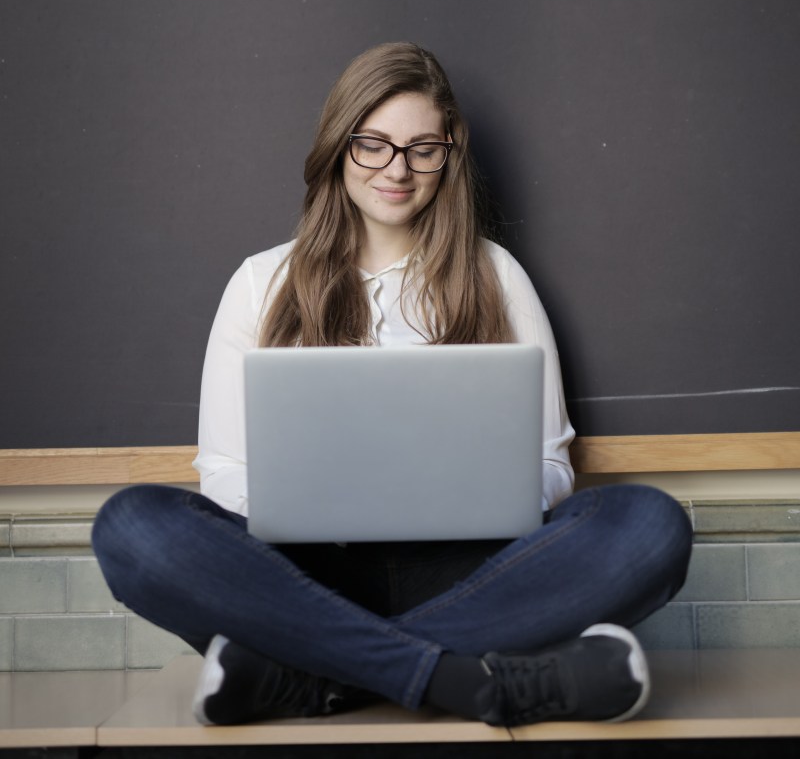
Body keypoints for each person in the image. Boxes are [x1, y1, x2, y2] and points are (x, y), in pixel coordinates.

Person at [92, 41, 692, 728]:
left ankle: (317, 680)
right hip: (301, 577)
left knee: (648, 525)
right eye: (372, 144)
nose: (397, 170)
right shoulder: (261, 282)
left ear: (449, 155)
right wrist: (310, 502)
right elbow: (223, 472)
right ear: (338, 147)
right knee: (133, 526)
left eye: (422, 148)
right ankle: (481, 685)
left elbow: (553, 463)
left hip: (473, 573)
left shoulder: (496, 276)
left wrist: (485, 497)